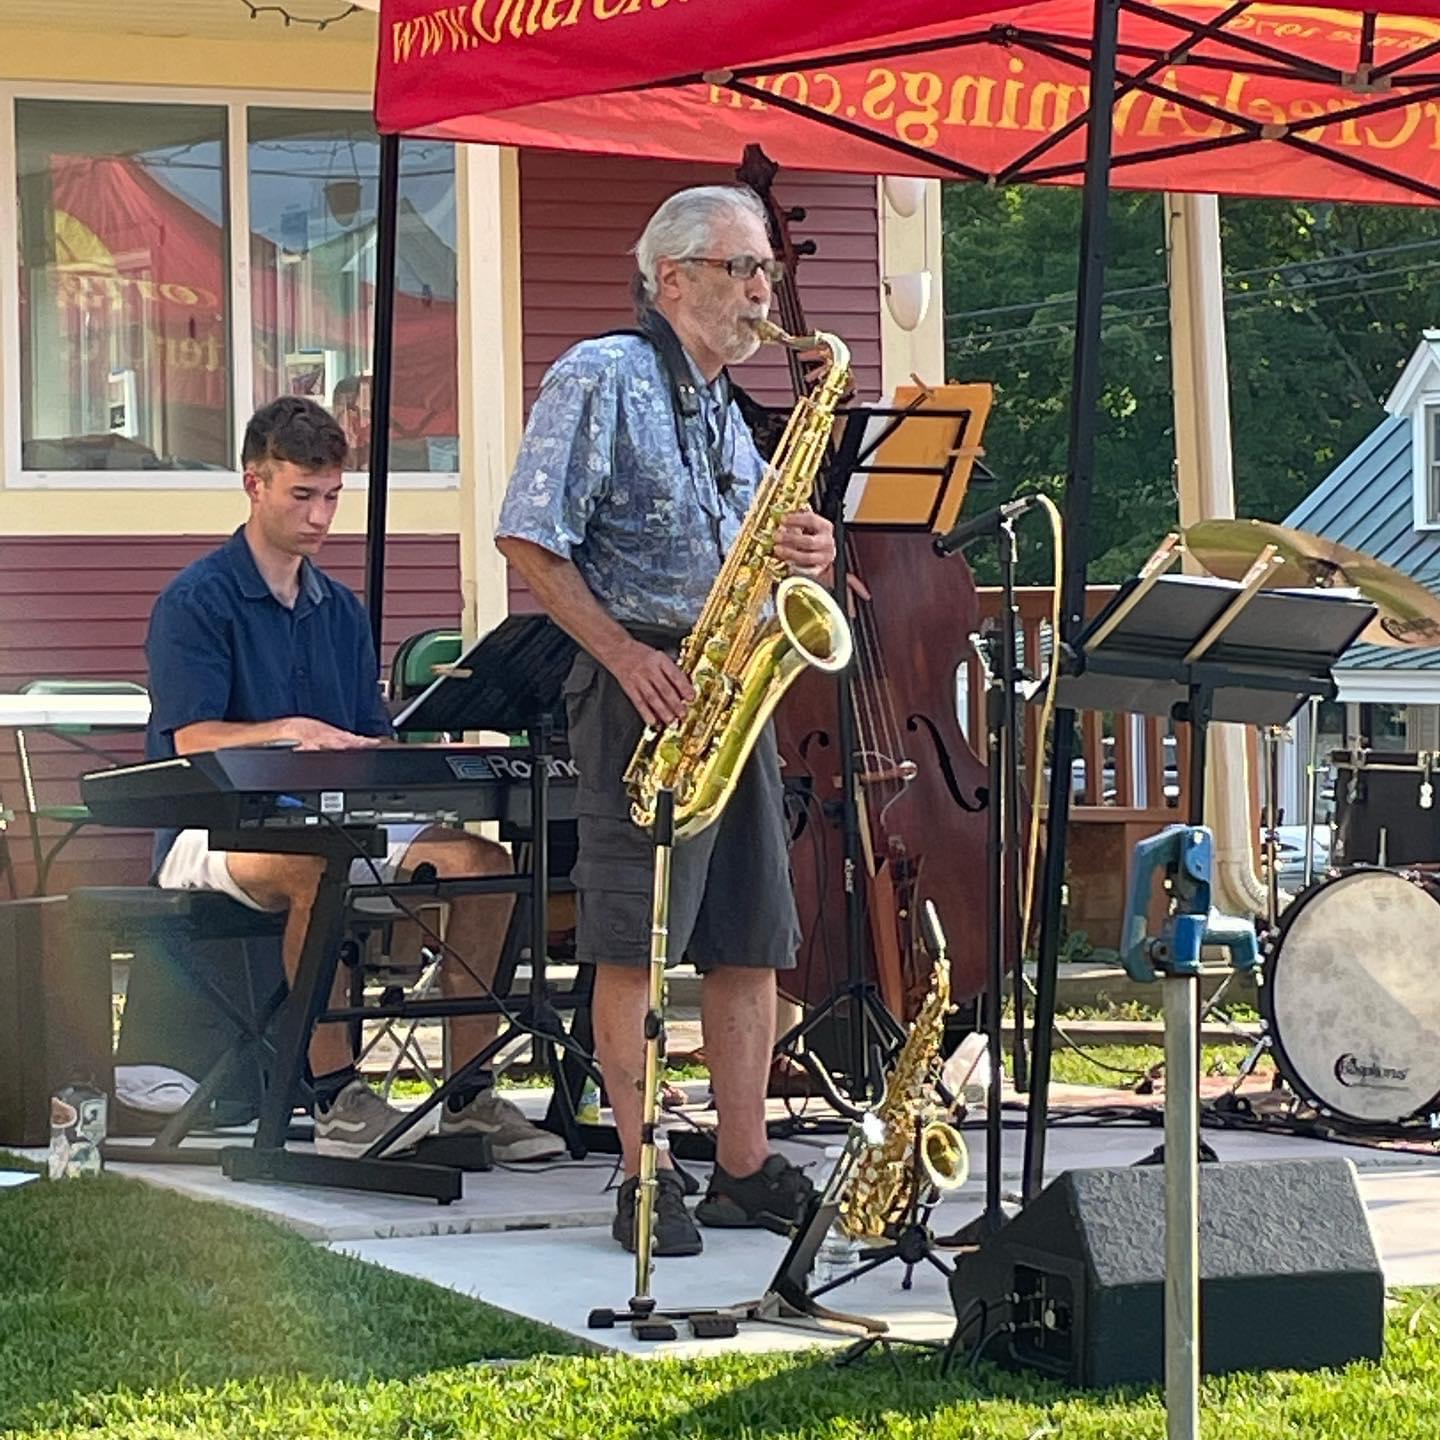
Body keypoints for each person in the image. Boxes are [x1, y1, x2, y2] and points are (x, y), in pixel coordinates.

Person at [497, 186, 837, 1255]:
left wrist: (807, 550)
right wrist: (628, 656)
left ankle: (741, 1165)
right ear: (673, 276)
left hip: (731, 684)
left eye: (767, 276)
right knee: (632, 941)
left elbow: (750, 544)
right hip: (639, 684)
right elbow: (528, 540)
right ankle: (643, 1179)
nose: (760, 293)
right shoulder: (600, 375)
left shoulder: (724, 407)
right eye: (743, 270)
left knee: (751, 938)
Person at [145, 395, 563, 1163]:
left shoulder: (341, 611)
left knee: (485, 864)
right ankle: (336, 1096)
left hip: (336, 818)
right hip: (212, 827)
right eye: (301, 495)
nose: (319, 516)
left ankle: (468, 1092)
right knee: (320, 864)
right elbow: (189, 738)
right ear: (254, 483)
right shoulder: (196, 600)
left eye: (332, 496)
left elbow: (367, 741)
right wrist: (286, 729)